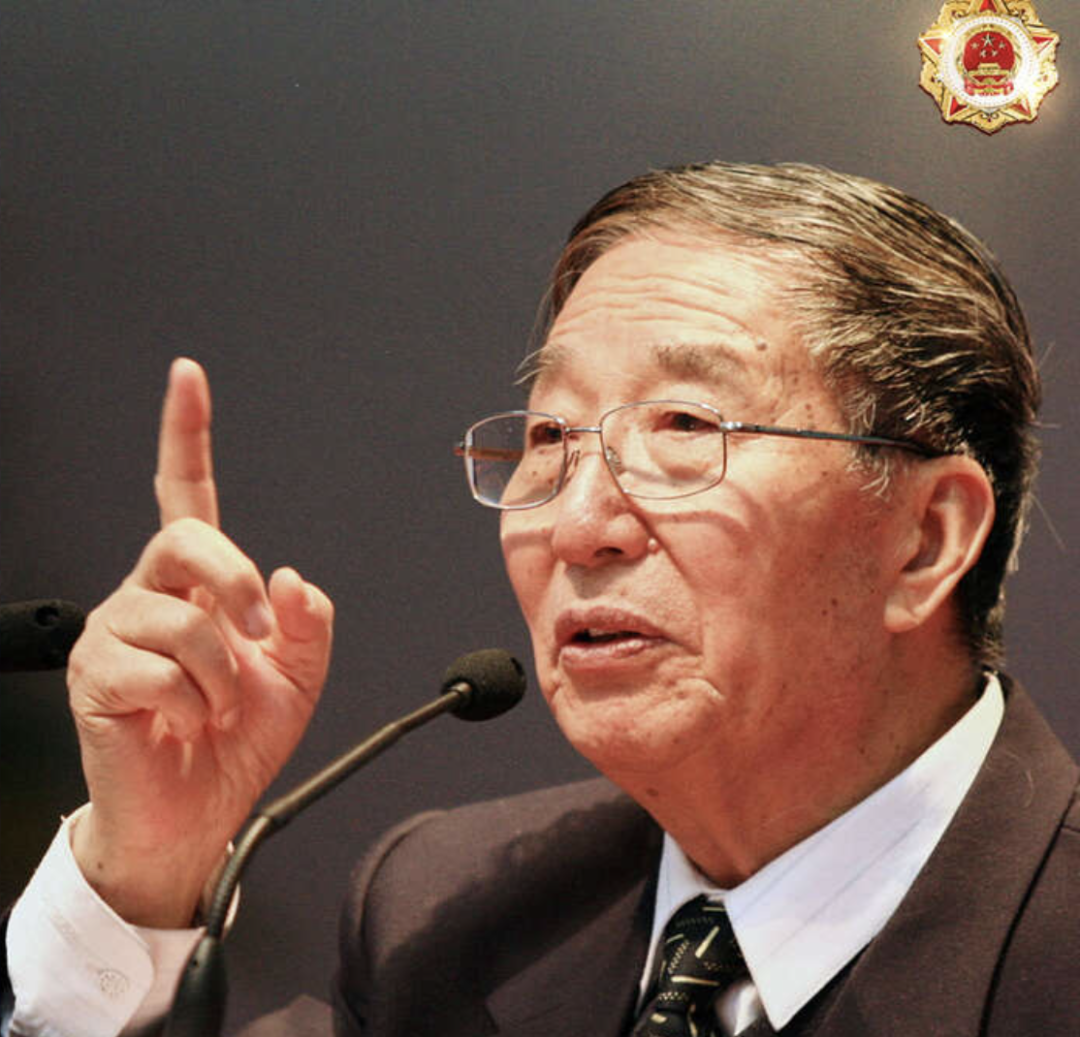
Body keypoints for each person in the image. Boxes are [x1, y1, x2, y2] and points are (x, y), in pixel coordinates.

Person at [4, 162, 1078, 1037]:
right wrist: (145, 873)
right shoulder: (446, 910)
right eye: (552, 434)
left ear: (925, 538)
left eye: (686, 427)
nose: (577, 523)